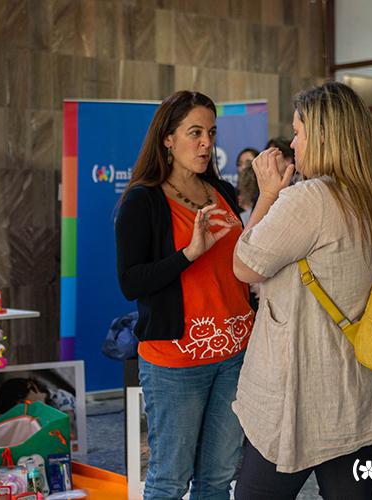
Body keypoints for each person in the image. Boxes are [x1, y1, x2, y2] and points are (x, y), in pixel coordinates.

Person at [231, 82, 372, 499]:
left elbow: (244, 264)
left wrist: (269, 193)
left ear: (325, 135)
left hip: (300, 392)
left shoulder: (309, 199)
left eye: (298, 131)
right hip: (360, 389)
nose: (293, 144)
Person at [115, 90, 253, 499]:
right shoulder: (143, 200)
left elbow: (242, 263)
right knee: (170, 479)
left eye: (211, 132)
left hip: (235, 356)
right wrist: (189, 253)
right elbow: (130, 282)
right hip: (177, 362)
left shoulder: (223, 192)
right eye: (195, 132)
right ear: (168, 140)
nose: (207, 143)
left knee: (218, 478)